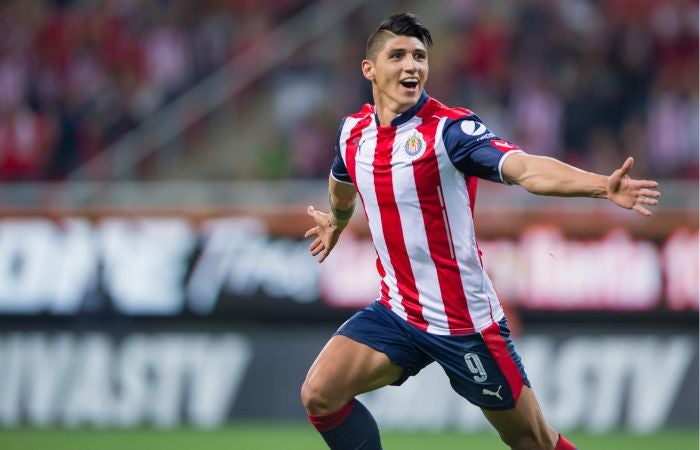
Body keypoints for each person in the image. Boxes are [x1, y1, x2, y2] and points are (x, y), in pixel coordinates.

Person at [301, 12, 659, 450]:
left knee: (534, 441)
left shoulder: (449, 131)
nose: (412, 66)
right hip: (397, 311)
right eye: (398, 56)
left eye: (419, 56)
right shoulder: (352, 133)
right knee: (320, 394)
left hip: (463, 323)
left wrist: (601, 186)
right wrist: (336, 222)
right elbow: (342, 184)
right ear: (369, 69)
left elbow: (525, 169)